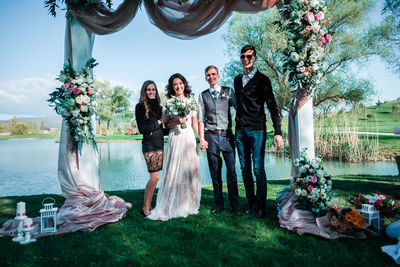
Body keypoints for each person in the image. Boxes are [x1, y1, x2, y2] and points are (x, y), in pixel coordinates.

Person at [234, 45, 283, 219]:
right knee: (245, 169)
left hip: (257, 130)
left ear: (254, 58)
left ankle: (261, 209)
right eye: (243, 57)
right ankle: (252, 204)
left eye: (249, 57)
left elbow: (272, 106)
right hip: (240, 131)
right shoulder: (237, 80)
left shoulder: (263, 80)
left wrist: (278, 132)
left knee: (258, 169)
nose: (245, 60)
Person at [147, 73, 201, 221]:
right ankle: (172, 203)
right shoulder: (168, 103)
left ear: (184, 84)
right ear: (172, 87)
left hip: (189, 137)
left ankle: (189, 202)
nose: (178, 86)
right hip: (175, 137)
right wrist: (177, 121)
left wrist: (201, 138)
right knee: (174, 169)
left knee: (189, 169)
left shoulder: (191, 101)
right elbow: (167, 124)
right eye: (175, 84)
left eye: (180, 83)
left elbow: (195, 122)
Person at [198, 65, 240, 216]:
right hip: (211, 137)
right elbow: (201, 119)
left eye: (213, 74)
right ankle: (219, 205)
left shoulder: (228, 91)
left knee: (232, 173)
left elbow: (238, 109)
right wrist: (202, 138)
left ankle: (235, 207)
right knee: (215, 173)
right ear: (205, 78)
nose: (211, 77)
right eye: (208, 75)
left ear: (219, 75)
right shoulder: (202, 95)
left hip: (227, 136)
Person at [135, 80, 166, 216]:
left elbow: (161, 129)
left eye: (153, 89)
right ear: (144, 91)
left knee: (156, 177)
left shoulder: (159, 108)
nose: (151, 92)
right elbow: (143, 129)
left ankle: (148, 205)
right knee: (154, 178)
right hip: (149, 145)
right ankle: (145, 208)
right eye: (149, 90)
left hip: (159, 144)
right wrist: (160, 122)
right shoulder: (140, 106)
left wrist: (175, 126)